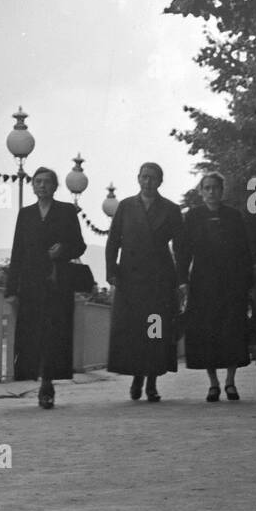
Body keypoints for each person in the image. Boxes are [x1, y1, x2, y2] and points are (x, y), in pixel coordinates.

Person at [5, 167, 86, 408]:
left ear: (55, 186)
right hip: (30, 285)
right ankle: (37, 377)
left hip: (57, 283)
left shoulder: (66, 211)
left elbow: (79, 246)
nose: (42, 186)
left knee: (54, 335)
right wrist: (11, 290)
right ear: (32, 185)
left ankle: (47, 383)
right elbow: (17, 251)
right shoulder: (26, 214)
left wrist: (64, 249)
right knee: (33, 334)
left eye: (47, 182)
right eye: (37, 182)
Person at [106, 162, 183, 401]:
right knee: (133, 329)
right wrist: (112, 271)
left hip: (159, 280)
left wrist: (181, 280)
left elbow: (180, 247)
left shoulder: (171, 209)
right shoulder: (126, 207)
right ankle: (136, 375)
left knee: (155, 330)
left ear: (160, 181)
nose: (148, 182)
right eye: (144, 177)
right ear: (138, 178)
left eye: (153, 178)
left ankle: (152, 380)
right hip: (130, 278)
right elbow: (113, 241)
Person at [177, 172, 252, 401]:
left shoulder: (234, 216)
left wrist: (247, 283)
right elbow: (182, 250)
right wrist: (182, 280)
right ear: (201, 191)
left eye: (216, 188)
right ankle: (213, 383)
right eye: (207, 188)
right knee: (206, 332)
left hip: (231, 282)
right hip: (203, 281)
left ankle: (230, 381)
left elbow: (244, 251)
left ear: (222, 190)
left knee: (232, 330)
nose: (211, 192)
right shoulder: (192, 217)